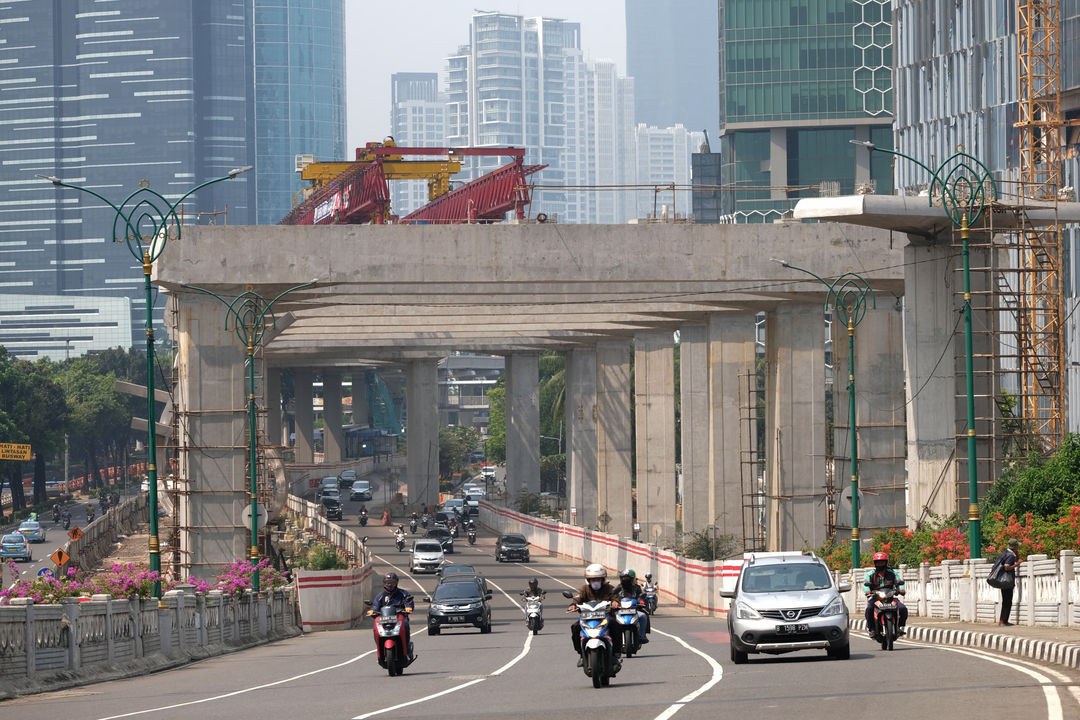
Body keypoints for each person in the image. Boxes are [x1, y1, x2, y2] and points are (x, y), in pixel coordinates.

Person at [568, 563, 622, 669]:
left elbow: (616, 597)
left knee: (616, 625)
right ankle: (581, 654)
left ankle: (616, 653)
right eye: (593, 580)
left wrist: (615, 602)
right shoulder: (584, 589)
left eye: (598, 579)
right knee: (575, 627)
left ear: (603, 579)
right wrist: (573, 605)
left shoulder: (609, 588)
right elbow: (578, 598)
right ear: (588, 580)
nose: (595, 582)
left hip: (605, 617)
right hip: (587, 619)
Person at [370, 572, 416, 660]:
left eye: (392, 582)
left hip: (399, 617)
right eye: (387, 582)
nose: (389, 584)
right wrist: (373, 611)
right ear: (384, 583)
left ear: (396, 583)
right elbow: (375, 605)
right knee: (375, 629)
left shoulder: (403, 593)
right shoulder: (380, 595)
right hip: (384, 618)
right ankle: (380, 651)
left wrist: (408, 607)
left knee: (405, 625)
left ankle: (406, 650)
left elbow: (409, 602)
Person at [863, 551, 907, 636]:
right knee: (869, 609)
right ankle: (871, 629)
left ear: (886, 563)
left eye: (882, 562)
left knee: (902, 608)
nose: (880, 564)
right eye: (878, 562)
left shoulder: (892, 573)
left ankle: (899, 627)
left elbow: (898, 582)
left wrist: (901, 590)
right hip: (876, 598)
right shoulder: (870, 574)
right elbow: (865, 585)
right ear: (875, 563)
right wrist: (867, 591)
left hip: (890, 598)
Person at [612, 568, 649, 644]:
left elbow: (641, 596)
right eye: (624, 578)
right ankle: (612, 637)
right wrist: (614, 602)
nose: (626, 580)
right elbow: (612, 595)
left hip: (634, 609)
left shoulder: (637, 588)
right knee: (611, 619)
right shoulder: (618, 587)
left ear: (633, 579)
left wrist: (641, 602)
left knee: (643, 616)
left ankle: (642, 636)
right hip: (620, 610)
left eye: (628, 579)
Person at [997, 539, 1021, 626]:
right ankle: (1004, 621)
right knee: (1007, 601)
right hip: (1007, 580)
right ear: (1015, 546)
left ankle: (1001, 620)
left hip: (1002, 580)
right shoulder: (1010, 555)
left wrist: (1017, 554)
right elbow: (1007, 567)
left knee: (1005, 601)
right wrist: (1016, 564)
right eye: (1017, 546)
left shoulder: (1005, 553)